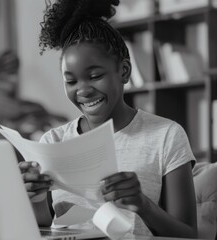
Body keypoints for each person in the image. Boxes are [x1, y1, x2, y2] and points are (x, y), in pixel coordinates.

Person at [19, 0, 198, 238]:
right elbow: (45, 226)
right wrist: (34, 196)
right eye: (71, 81)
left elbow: (189, 235)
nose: (83, 90)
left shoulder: (166, 135)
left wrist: (143, 205)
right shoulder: (52, 141)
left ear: (124, 71)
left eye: (94, 76)